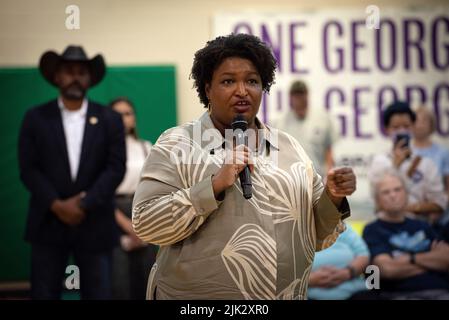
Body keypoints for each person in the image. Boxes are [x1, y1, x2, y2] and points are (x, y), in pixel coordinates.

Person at [132, 33, 356, 300]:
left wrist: (332, 196)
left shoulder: (290, 148)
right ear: (207, 89)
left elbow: (318, 236)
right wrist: (212, 187)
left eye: (252, 81)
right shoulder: (177, 144)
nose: (242, 90)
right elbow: (147, 224)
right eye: (228, 81)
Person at [18, 45, 126, 299]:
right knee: (44, 293)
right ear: (57, 77)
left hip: (95, 222)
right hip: (48, 221)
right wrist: (57, 205)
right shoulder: (35, 118)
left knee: (99, 293)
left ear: (90, 78)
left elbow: (115, 167)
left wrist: (84, 203)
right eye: (68, 71)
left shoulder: (110, 118)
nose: (75, 76)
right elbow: (28, 168)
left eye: (81, 71)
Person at [363, 170, 449, 299]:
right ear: (377, 201)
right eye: (386, 192)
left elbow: (446, 260)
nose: (393, 195)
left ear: (407, 194)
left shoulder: (423, 226)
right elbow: (387, 270)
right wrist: (431, 263)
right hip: (400, 294)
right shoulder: (373, 230)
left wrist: (410, 259)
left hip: (441, 291)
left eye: (397, 190)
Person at [367, 101, 447, 224]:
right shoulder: (379, 162)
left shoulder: (426, 164)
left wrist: (412, 208)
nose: (402, 131)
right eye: (396, 127)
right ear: (387, 130)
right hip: (386, 228)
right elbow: (376, 201)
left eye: (406, 126)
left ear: (413, 127)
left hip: (419, 226)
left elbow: (440, 203)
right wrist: (395, 166)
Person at [109, 97, 158, 300]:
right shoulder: (102, 150)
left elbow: (156, 187)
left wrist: (140, 226)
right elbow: (99, 194)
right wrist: (127, 226)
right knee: (120, 283)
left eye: (127, 113)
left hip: (144, 212)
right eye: (117, 114)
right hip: (112, 214)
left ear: (134, 119)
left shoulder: (146, 147)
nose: (123, 118)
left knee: (147, 280)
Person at [271, 80, 337, 177]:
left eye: (301, 94)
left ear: (307, 95)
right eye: (296, 94)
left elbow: (328, 151)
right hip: (291, 182)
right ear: (290, 97)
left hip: (317, 180)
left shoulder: (322, 119)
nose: (299, 98)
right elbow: (274, 155)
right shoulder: (280, 123)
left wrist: (329, 173)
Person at [307, 223, 370, 300]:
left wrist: (348, 272)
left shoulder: (341, 227)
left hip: (356, 293)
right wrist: (308, 280)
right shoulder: (293, 234)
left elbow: (363, 254)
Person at [412, 106, 449, 229]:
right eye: (416, 120)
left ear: (432, 125)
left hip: (439, 213)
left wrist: (437, 208)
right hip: (410, 212)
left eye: (424, 121)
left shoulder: (442, 153)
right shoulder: (405, 152)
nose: (420, 125)